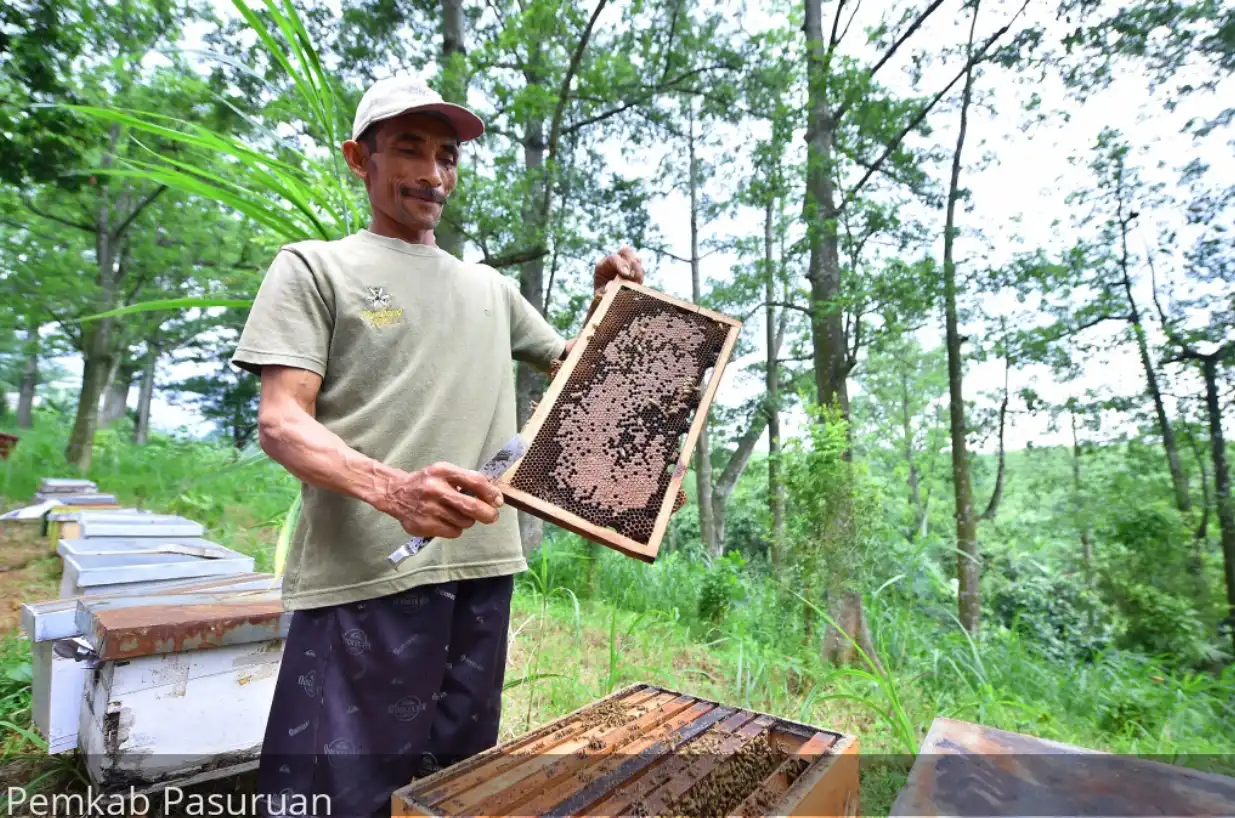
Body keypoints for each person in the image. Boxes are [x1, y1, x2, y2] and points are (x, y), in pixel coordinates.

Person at [230, 73, 647, 817]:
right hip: (364, 576)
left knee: (451, 788)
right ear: (360, 159)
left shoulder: (490, 290)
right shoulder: (314, 267)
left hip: (483, 568)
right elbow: (281, 422)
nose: (431, 173)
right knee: (337, 795)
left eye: (446, 156)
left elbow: (582, 376)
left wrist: (605, 303)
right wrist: (393, 491)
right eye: (409, 150)